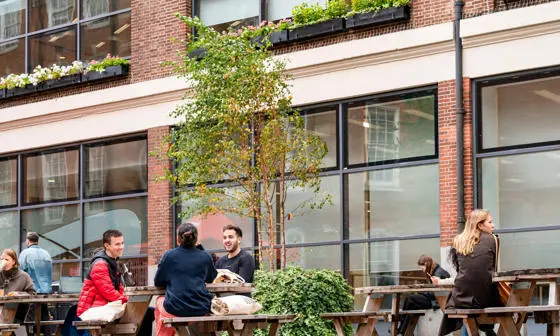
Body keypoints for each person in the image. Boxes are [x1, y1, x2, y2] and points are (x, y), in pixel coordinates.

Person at [439, 209, 499, 336]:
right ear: (480, 225)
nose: (493, 225)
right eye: (490, 222)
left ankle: (487, 330)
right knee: (495, 295)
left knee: (467, 310)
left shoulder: (457, 240)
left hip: (460, 296)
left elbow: (461, 271)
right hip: (484, 297)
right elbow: (493, 270)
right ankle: (488, 330)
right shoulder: (493, 239)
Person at [154, 222, 218, 336]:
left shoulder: (169, 256)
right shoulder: (205, 256)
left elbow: (158, 281)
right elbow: (211, 278)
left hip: (176, 308)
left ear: (178, 239)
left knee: (159, 300)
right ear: (196, 239)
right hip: (201, 308)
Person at [63, 230, 129, 336]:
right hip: (93, 309)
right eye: (117, 244)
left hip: (103, 306)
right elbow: (108, 291)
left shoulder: (112, 262)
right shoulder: (100, 264)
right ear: (107, 245)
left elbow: (118, 287)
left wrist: (124, 298)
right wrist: (125, 300)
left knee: (146, 313)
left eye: (122, 243)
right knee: (141, 315)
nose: (121, 246)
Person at [397, 255, 450, 335]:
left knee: (410, 299)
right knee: (411, 304)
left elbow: (433, 293)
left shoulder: (438, 273)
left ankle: (401, 327)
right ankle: (403, 329)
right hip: (436, 300)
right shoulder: (437, 270)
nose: (422, 270)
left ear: (426, 264)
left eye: (422, 268)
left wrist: (420, 291)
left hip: (436, 302)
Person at [19, 232, 53, 335]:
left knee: (29, 320)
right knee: (44, 317)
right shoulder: (46, 254)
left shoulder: (25, 253)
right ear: (38, 241)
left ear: (27, 241)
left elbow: (21, 273)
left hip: (33, 292)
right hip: (46, 292)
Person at [0, 249, 36, 323]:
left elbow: (32, 293)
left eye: (6, 259)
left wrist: (18, 294)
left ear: (14, 261)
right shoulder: (0, 274)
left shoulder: (23, 276)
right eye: (2, 259)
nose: (3, 261)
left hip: (16, 312)